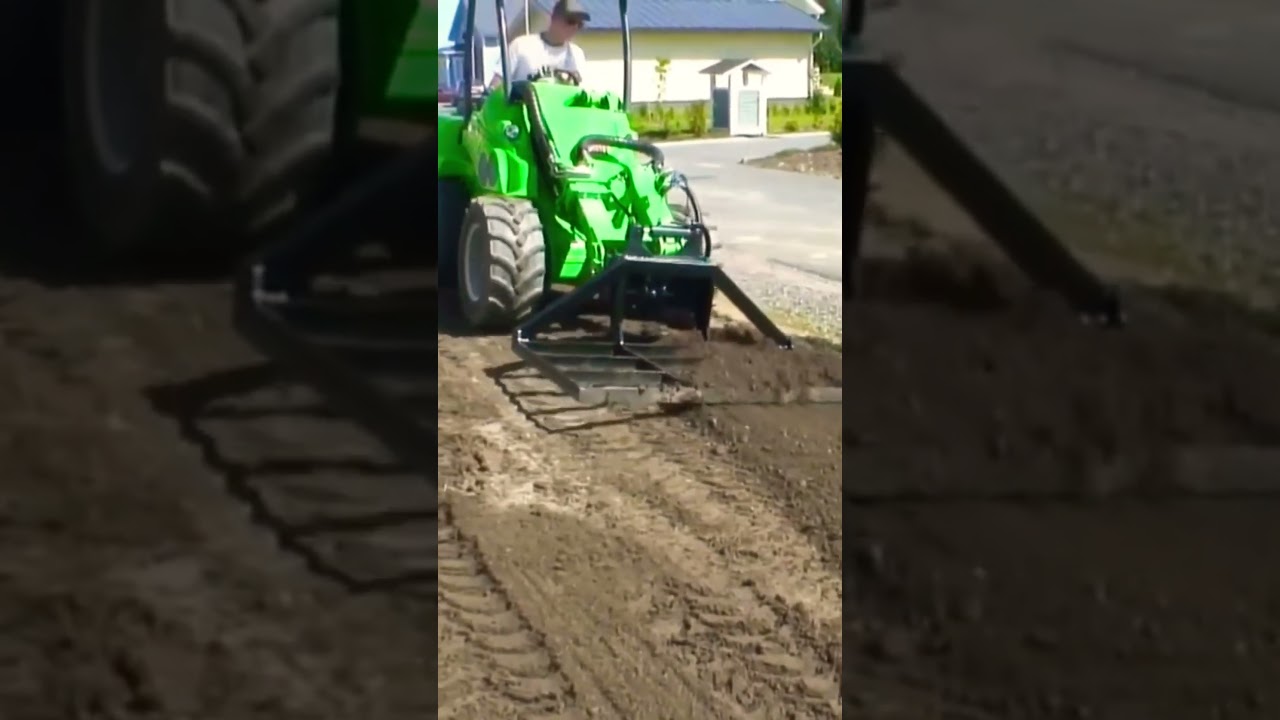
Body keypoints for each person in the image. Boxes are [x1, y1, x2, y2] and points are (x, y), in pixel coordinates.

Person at [493, 0, 590, 91]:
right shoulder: (521, 45)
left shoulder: (577, 54)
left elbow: (581, 91)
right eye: (571, 21)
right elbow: (496, 86)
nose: (575, 28)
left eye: (580, 25)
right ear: (553, 18)